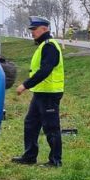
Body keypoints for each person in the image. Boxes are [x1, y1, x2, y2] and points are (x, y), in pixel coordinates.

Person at [12, 16, 65, 167]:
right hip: (41, 93)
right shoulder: (43, 45)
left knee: (51, 127)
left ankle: (55, 161)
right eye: (32, 30)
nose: (32, 33)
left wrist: (25, 85)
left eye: (35, 30)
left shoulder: (49, 46)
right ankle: (29, 156)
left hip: (49, 93)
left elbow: (45, 70)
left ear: (45, 29)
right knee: (31, 124)